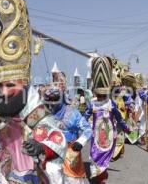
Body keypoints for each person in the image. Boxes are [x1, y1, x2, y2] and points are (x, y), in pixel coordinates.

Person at [0, 0, 67, 183]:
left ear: (24, 83)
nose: (3, 91)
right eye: (0, 85)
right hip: (6, 170)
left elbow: (58, 139)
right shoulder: (1, 110)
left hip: (30, 173)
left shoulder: (33, 112)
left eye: (10, 85)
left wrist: (41, 148)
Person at [84, 56, 130, 184]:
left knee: (104, 157)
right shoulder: (92, 104)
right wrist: (79, 127)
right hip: (96, 135)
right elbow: (84, 118)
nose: (100, 97)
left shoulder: (111, 104)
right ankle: (99, 175)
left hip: (109, 135)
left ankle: (101, 177)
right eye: (99, 95)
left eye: (103, 95)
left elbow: (120, 119)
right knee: (96, 155)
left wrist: (126, 128)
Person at [44, 68, 92, 184]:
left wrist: (80, 142)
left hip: (71, 153)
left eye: (55, 99)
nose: (52, 103)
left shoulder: (73, 113)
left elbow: (88, 129)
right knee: (52, 176)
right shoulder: (45, 114)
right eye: (49, 100)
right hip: (52, 153)